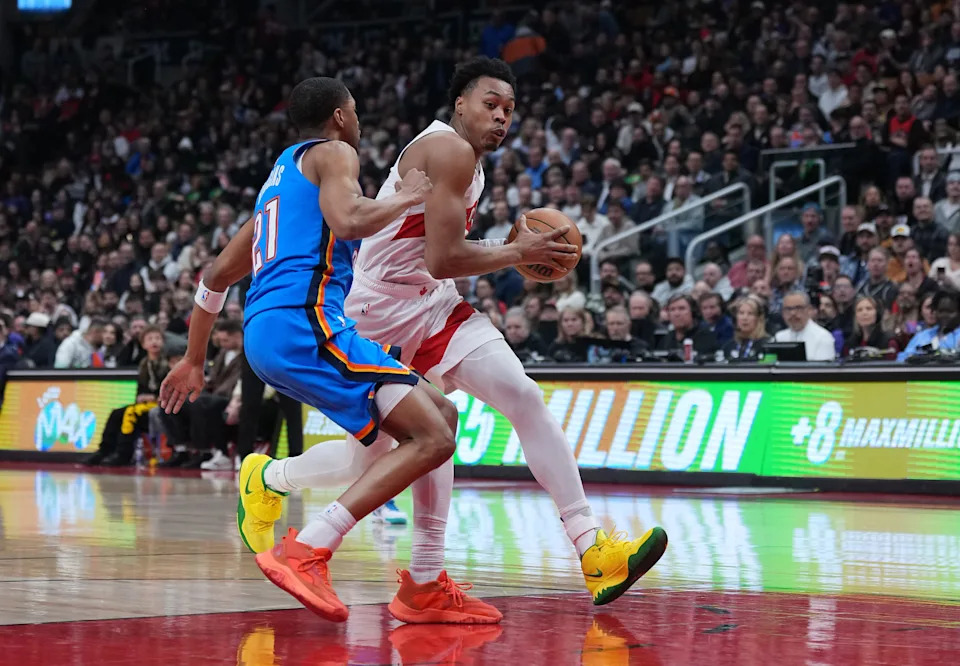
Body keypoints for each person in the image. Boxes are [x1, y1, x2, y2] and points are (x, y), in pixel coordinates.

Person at [159, 77, 493, 625]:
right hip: (305, 323)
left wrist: (195, 358)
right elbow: (348, 220)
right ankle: (310, 549)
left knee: (442, 417)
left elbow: (216, 275)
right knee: (432, 435)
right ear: (340, 116)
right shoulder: (336, 153)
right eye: (355, 112)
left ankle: (416, 576)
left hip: (266, 335)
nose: (358, 122)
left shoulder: (280, 180)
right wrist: (407, 197)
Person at [338, 58, 667, 605]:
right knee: (371, 458)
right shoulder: (448, 150)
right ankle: (274, 479)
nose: (501, 117)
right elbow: (443, 258)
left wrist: (512, 252)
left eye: (509, 110)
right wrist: (517, 252)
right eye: (490, 104)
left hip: (430, 304)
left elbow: (437, 264)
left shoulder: (472, 164)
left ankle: (594, 550)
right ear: (460, 104)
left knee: (522, 395)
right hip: (377, 313)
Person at [772, 291, 836, 361]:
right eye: (788, 309)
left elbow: (823, 370)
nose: (793, 313)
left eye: (798, 308)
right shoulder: (778, 337)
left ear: (808, 310)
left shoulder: (823, 337)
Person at [898, 289, 960, 361]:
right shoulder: (922, 336)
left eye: (949, 312)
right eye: (940, 311)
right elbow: (902, 359)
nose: (944, 315)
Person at [723, 296, 769, 362]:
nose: (745, 318)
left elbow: (770, 367)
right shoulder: (728, 346)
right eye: (741, 313)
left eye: (750, 313)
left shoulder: (768, 345)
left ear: (758, 318)